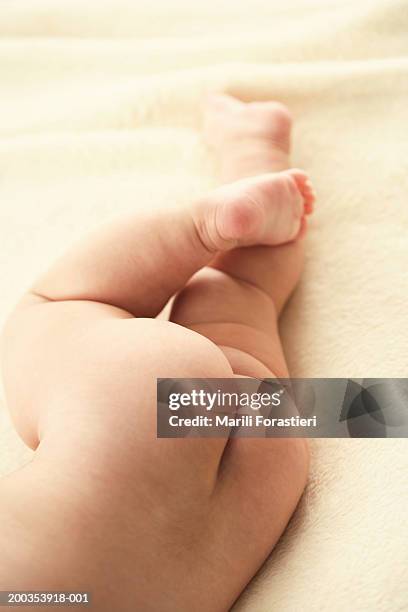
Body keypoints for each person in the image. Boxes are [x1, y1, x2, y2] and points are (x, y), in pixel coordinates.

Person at [0, 93, 314, 611]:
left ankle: (256, 150)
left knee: (243, 298)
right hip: (126, 403)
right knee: (57, 305)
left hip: (258, 467)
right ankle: (210, 224)